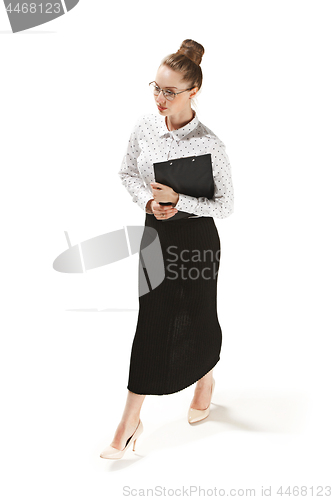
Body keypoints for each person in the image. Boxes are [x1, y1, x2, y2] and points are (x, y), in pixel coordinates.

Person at [100, 39, 234, 460]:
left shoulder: (211, 143)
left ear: (194, 91)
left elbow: (226, 205)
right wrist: (148, 201)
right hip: (155, 238)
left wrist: (180, 201)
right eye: (156, 88)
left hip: (197, 240)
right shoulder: (144, 127)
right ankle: (129, 421)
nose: (160, 99)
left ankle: (205, 379)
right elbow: (125, 172)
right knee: (153, 322)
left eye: (170, 91)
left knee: (197, 313)